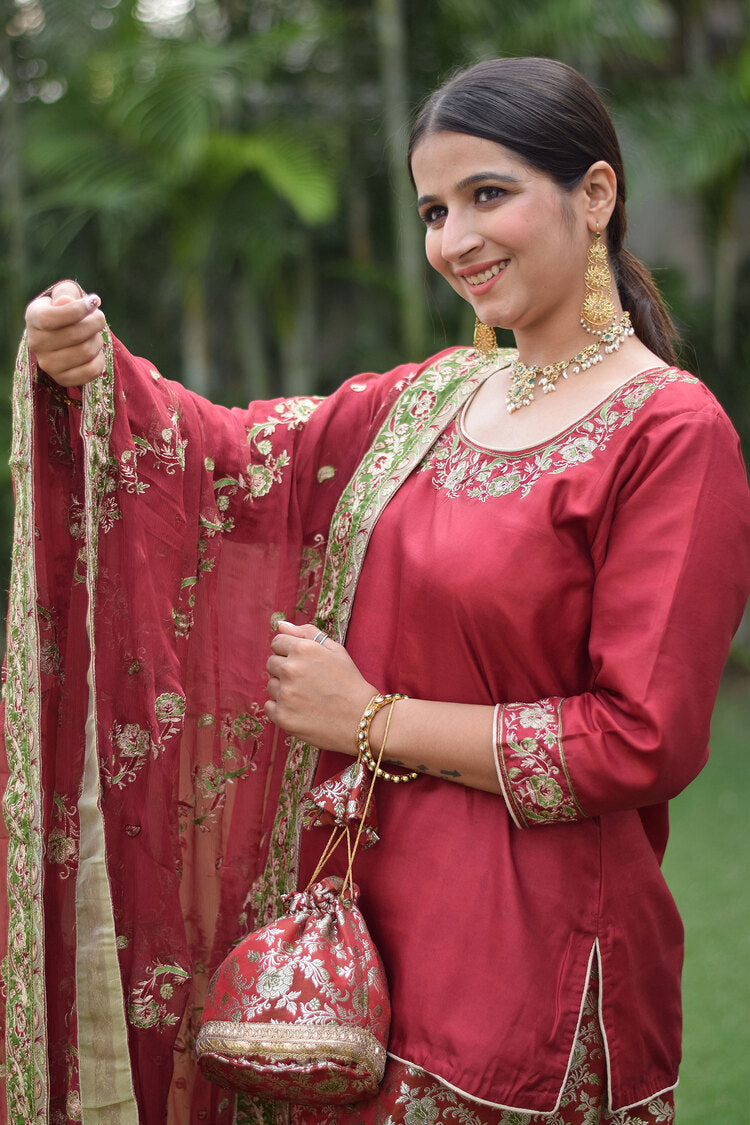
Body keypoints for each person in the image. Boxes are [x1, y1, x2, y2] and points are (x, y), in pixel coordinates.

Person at [6, 55, 750, 1125]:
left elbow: (642, 737)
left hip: (529, 961)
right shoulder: (427, 401)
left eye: (488, 195)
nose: (455, 240)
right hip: (346, 958)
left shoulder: (669, 431)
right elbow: (227, 464)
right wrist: (89, 367)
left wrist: (371, 719)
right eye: (435, 209)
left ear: (595, 195)